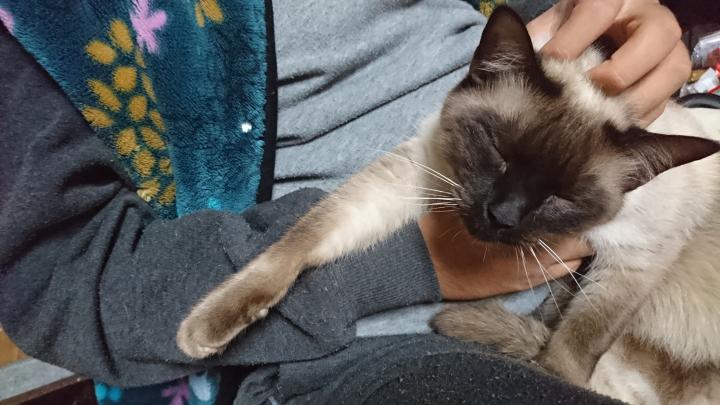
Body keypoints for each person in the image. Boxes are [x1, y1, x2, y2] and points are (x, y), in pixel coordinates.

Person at [0, 0, 689, 403]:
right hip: (370, 344)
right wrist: (408, 263)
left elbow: (525, 24)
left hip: (622, 252)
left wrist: (619, 29)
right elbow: (60, 282)